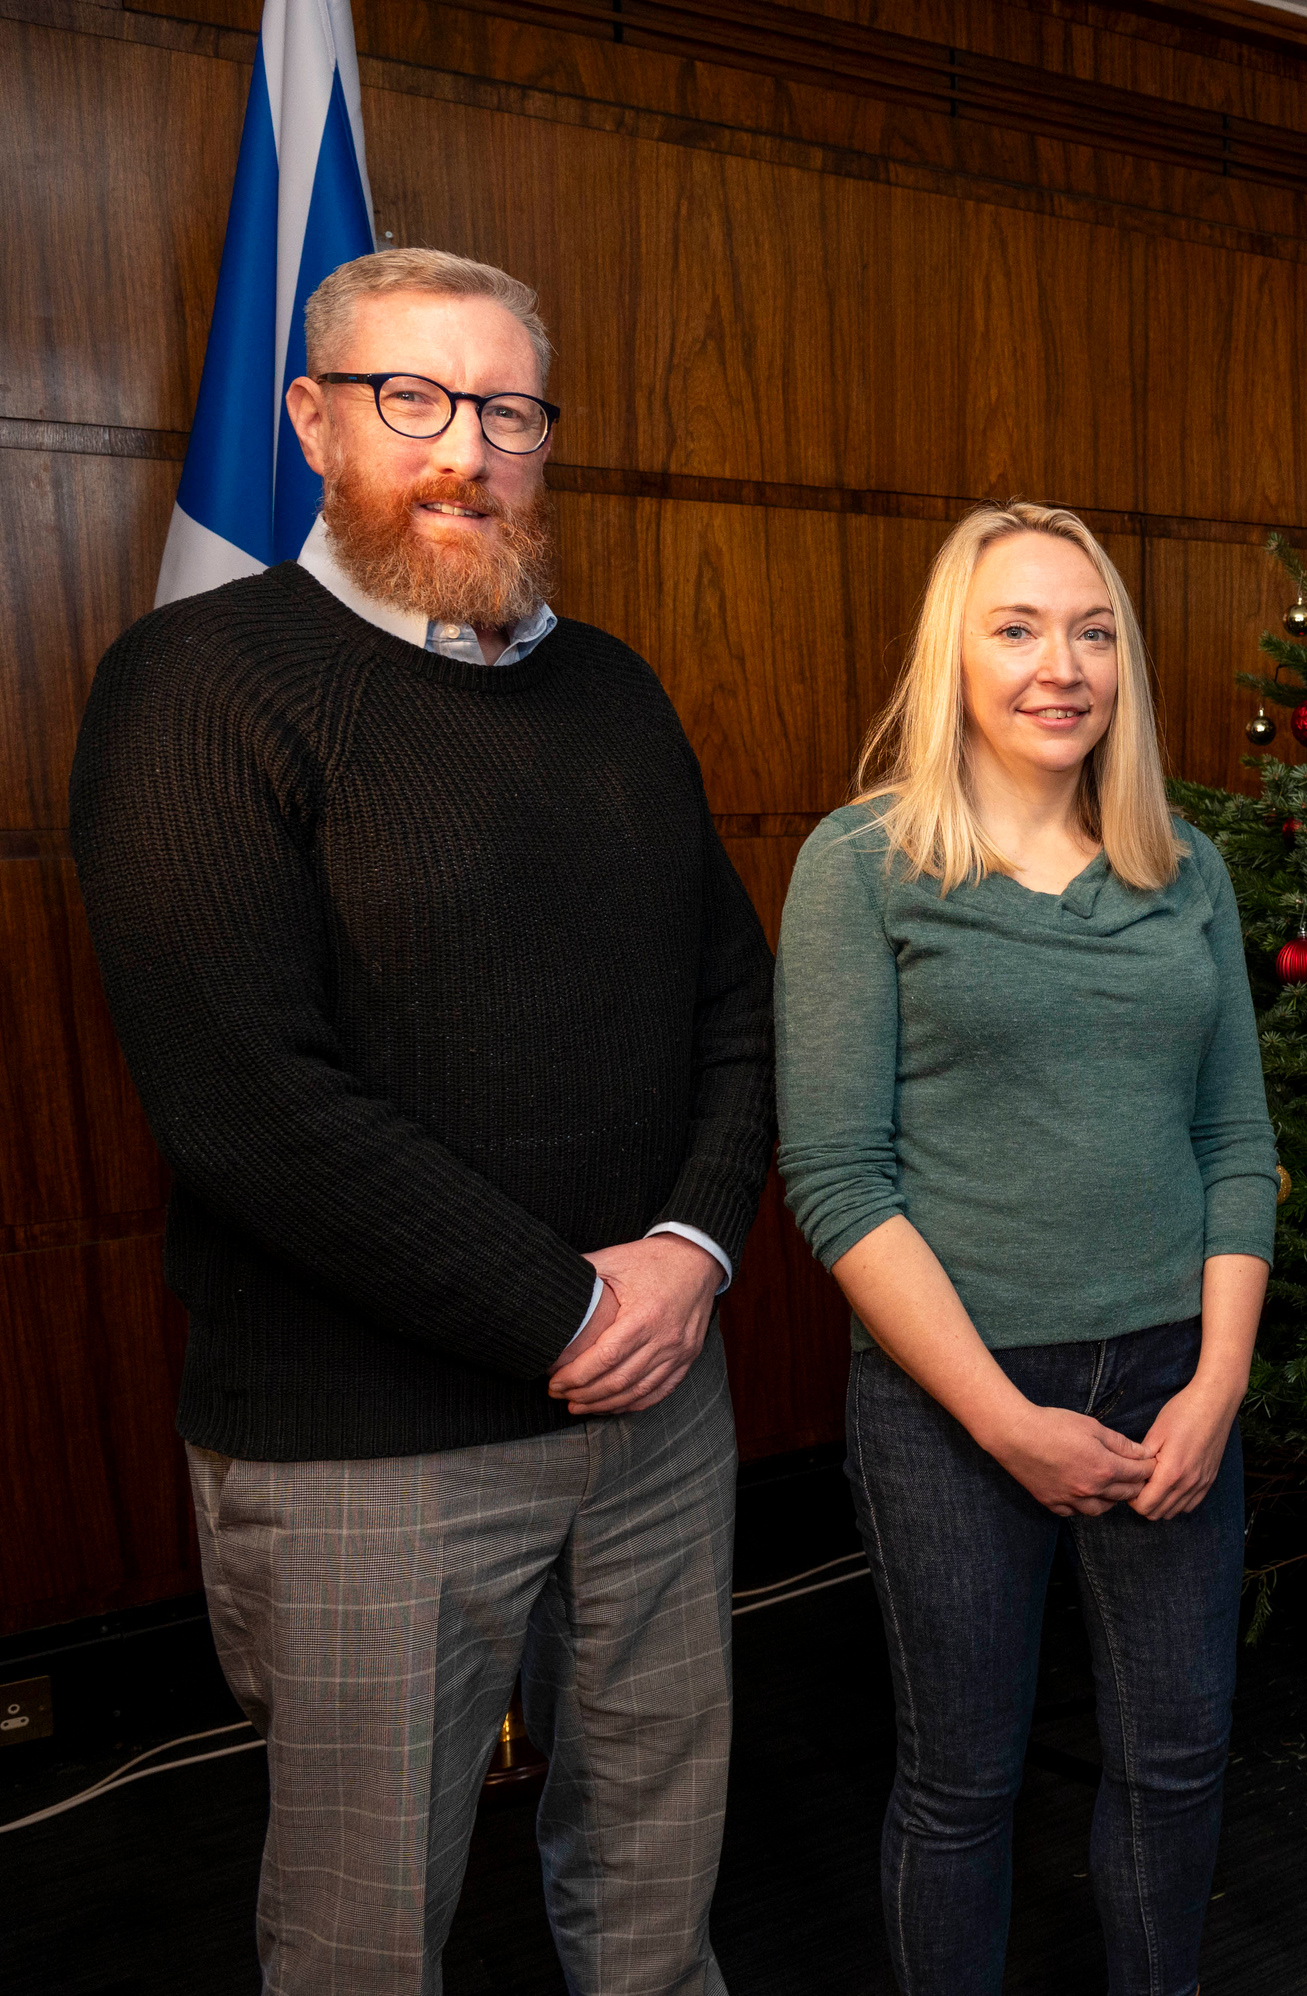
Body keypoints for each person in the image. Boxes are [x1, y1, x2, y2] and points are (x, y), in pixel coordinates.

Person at [67, 249, 774, 1994]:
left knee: (659, 1889)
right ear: (312, 420)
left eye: (508, 410)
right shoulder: (194, 685)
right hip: (359, 1457)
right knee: (364, 1939)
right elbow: (249, 1104)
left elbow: (736, 1006)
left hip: (662, 1413)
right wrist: (570, 1311)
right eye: (414, 399)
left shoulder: (614, 690)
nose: (464, 448)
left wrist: (688, 1254)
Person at [773, 502, 1274, 1996]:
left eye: (1094, 630)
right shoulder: (861, 865)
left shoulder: (1184, 867)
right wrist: (1003, 1422)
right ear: (956, 656)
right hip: (952, 1406)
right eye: (1017, 627)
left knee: (1178, 1761)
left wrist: (1219, 1384)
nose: (1063, 666)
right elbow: (839, 1179)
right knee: (962, 1781)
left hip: (1173, 1384)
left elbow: (1236, 1144)